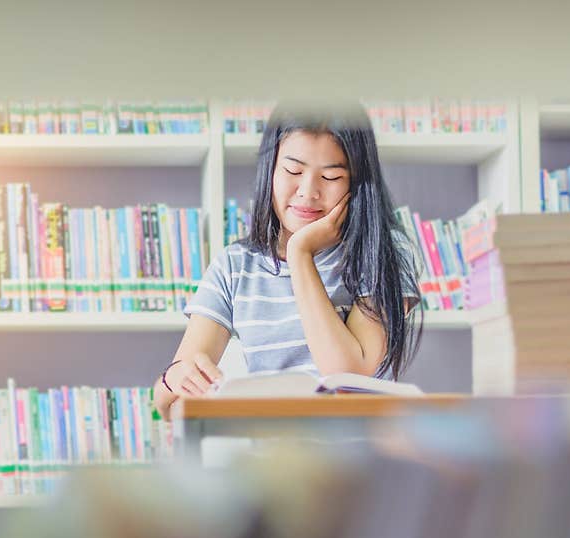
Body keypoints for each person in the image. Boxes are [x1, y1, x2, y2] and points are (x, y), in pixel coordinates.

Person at [154, 102, 422, 420]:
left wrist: (300, 254)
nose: (308, 192)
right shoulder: (235, 265)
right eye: (293, 171)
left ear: (357, 183)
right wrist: (175, 378)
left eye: (332, 176)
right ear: (271, 169)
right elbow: (166, 405)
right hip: (275, 461)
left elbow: (348, 374)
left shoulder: (385, 253)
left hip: (361, 460)